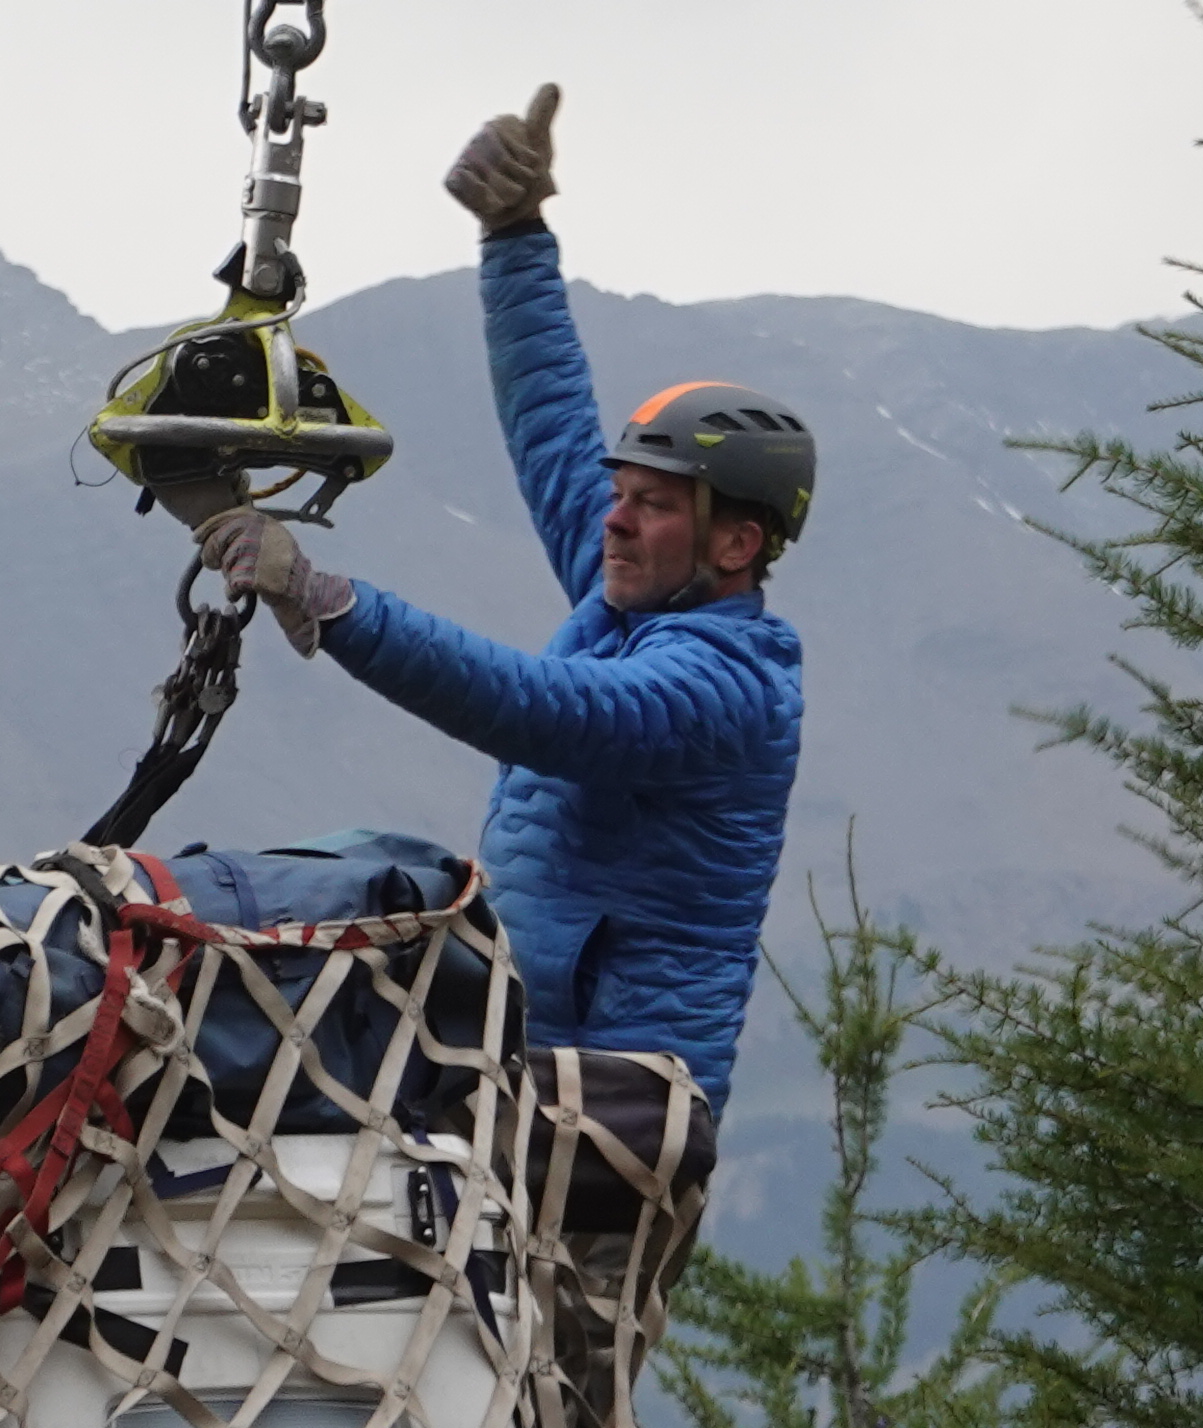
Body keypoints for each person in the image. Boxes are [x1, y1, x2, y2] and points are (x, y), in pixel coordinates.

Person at [192, 86, 812, 1113]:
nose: (612, 519)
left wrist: (330, 601)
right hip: (522, 1058)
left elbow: (546, 711)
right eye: (619, 496)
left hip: (612, 1106)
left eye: (651, 504)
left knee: (372, 879)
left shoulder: (724, 687)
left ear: (737, 544)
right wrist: (515, 234)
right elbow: (553, 429)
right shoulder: (635, 597)